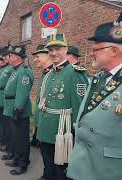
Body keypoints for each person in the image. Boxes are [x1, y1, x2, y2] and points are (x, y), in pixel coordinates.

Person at [67, 13, 122, 180]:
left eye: (96, 49)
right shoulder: (97, 78)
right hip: (82, 163)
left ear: (114, 51)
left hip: (107, 169)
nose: (91, 54)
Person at [36, 34, 89, 180]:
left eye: (58, 49)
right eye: (50, 50)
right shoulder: (48, 74)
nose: (53, 53)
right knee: (49, 165)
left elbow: (80, 106)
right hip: (46, 129)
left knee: (62, 171)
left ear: (66, 49)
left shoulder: (75, 72)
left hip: (63, 131)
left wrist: (77, 133)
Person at [3, 45, 34, 175]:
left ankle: (23, 163)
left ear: (17, 57)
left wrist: (18, 108)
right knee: (15, 136)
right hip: (11, 106)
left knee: (21, 138)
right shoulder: (15, 70)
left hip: (18, 109)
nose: (8, 58)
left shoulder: (24, 71)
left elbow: (22, 92)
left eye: (10, 55)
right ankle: (16, 157)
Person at [32, 44, 53, 180]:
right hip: (42, 120)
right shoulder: (46, 73)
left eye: (38, 56)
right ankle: (47, 174)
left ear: (47, 55)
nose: (35, 60)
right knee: (46, 156)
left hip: (52, 124)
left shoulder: (54, 73)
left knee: (53, 158)